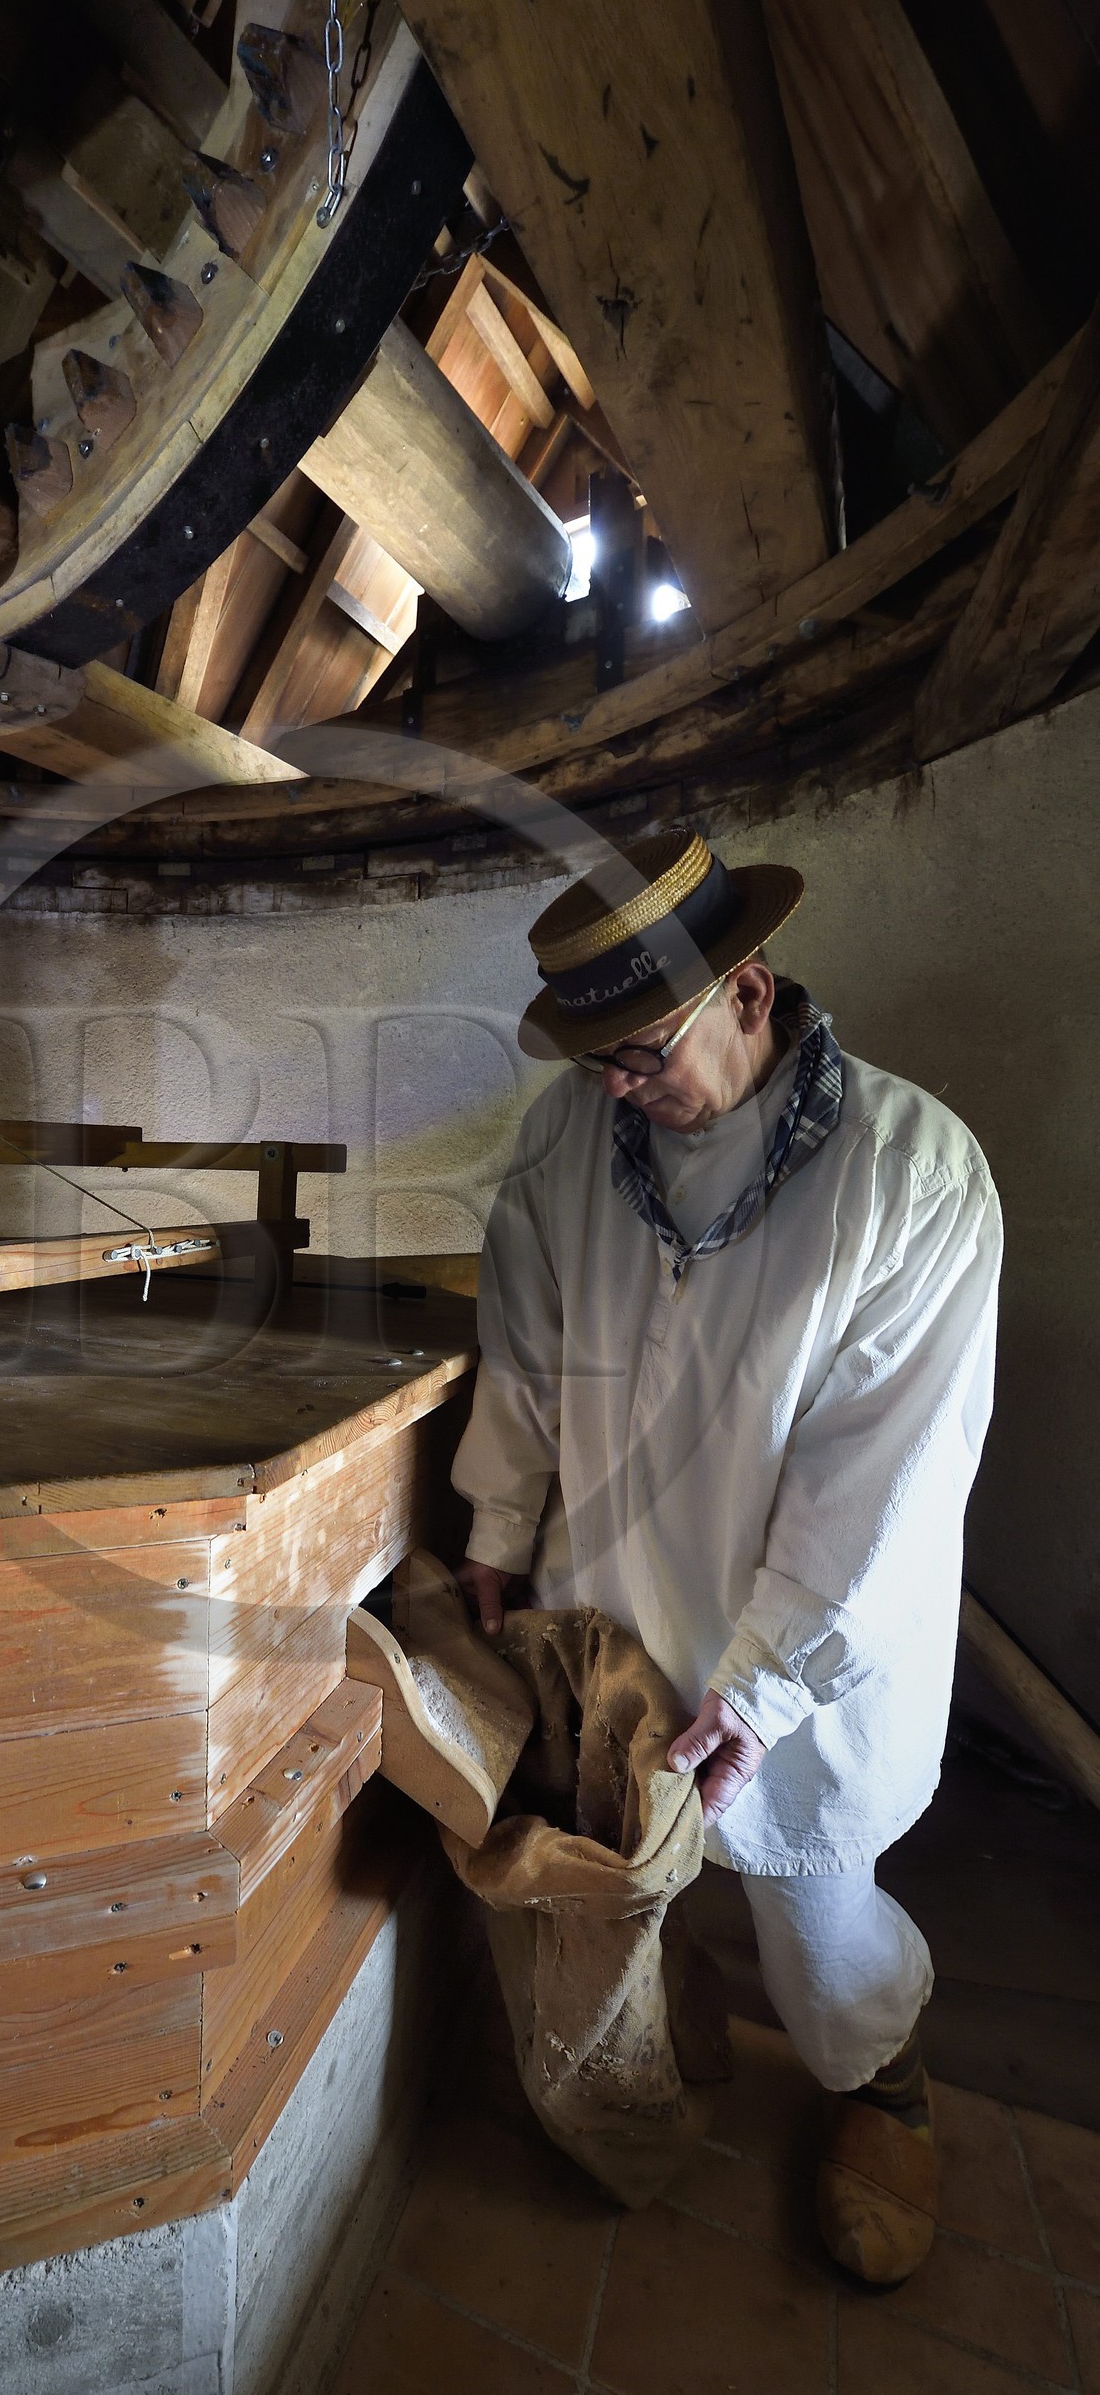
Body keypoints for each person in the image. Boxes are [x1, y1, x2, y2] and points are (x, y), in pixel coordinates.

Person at [452, 827, 1001, 2284]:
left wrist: (763, 1688)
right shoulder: (573, 1141)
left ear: (748, 992)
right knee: (634, 1881)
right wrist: (500, 1530)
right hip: (614, 1616)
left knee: (815, 1930)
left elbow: (881, 1478)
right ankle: (676, 2030)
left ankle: (879, 2081)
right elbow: (523, 1350)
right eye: (599, 1065)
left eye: (643, 1054)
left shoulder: (913, 1174)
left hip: (798, 1665)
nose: (620, 1091)